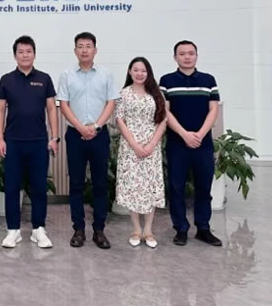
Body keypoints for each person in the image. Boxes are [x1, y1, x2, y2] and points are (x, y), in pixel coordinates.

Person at [0, 35, 59, 249]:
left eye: (28, 51)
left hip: (39, 141)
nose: (25, 55)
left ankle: (38, 229)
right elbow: (0, 110)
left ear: (34, 54)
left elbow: (52, 109)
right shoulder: (6, 80)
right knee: (12, 186)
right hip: (13, 142)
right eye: (21, 52)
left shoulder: (44, 78)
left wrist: (54, 137)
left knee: (39, 186)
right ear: (15, 55)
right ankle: (13, 230)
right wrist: (0, 138)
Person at [160, 40, 222, 247]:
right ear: (175, 57)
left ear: (196, 55)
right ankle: (181, 229)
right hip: (177, 143)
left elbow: (213, 109)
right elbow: (164, 111)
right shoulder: (167, 81)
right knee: (176, 187)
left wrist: (200, 134)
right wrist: (184, 134)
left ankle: (203, 228)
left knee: (204, 187)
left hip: (203, 144)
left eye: (191, 53)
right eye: (182, 54)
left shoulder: (208, 80)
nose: (187, 57)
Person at [58, 32, 116, 249]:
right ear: (75, 51)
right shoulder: (66, 75)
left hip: (99, 135)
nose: (84, 50)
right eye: (80, 46)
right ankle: (78, 229)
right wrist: (81, 127)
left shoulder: (106, 74)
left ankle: (99, 230)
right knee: (76, 183)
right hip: (75, 134)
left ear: (95, 50)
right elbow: (64, 104)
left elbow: (111, 102)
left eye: (88, 46)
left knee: (100, 183)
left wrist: (97, 126)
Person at [115, 57, 167, 249]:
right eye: (136, 70)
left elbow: (163, 120)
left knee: (149, 188)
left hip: (152, 148)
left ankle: (148, 230)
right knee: (133, 188)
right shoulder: (124, 93)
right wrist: (135, 145)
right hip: (130, 148)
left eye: (143, 70)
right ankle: (136, 229)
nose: (139, 74)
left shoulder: (157, 93)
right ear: (130, 72)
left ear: (148, 73)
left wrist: (152, 144)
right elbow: (120, 120)